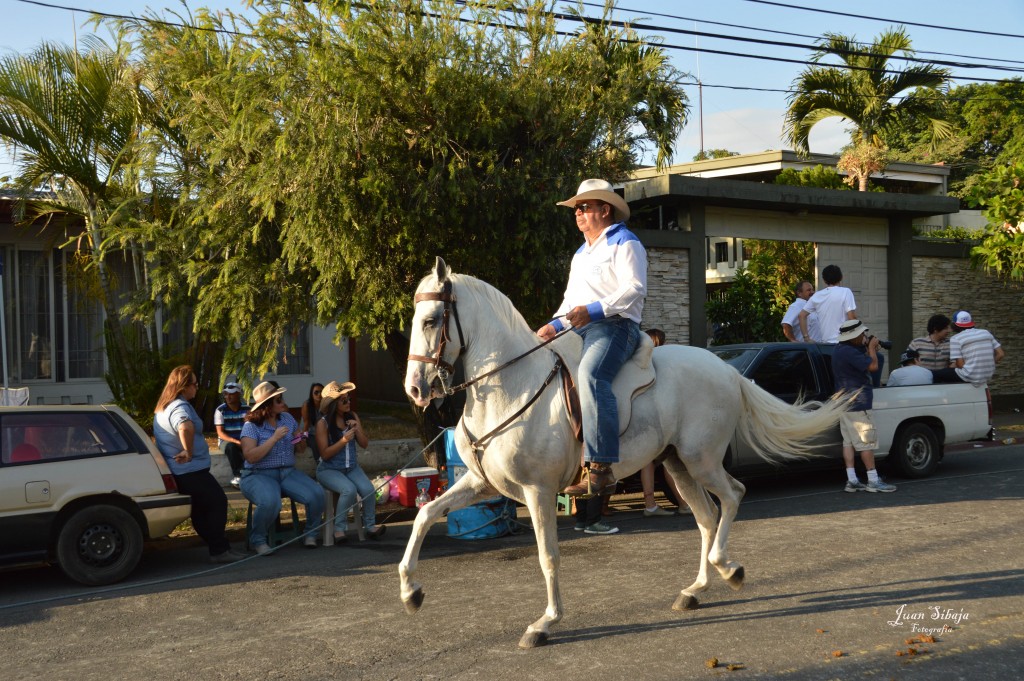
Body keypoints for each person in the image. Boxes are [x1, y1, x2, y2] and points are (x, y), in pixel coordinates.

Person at [536, 179, 647, 497]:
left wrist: (594, 311)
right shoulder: (580, 254)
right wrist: (552, 326)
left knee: (591, 374)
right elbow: (570, 303)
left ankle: (601, 467)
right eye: (576, 208)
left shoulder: (626, 242)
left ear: (605, 209)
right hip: (579, 326)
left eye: (584, 207)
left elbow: (634, 288)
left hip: (616, 327)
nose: (577, 212)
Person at [154, 366, 244, 563]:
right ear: (183, 386)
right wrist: (188, 451)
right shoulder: (180, 406)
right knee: (218, 502)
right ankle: (219, 550)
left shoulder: (164, 406)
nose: (196, 388)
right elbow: (185, 426)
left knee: (200, 509)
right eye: (194, 384)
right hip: (190, 470)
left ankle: (217, 547)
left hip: (180, 470)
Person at [239, 381, 326, 554]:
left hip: (287, 472)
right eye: (278, 400)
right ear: (267, 405)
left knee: (317, 493)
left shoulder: (287, 418)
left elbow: (299, 448)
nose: (283, 403)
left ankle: (310, 534)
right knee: (270, 502)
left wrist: (300, 440)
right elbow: (250, 456)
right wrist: (274, 439)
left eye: (281, 398)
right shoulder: (251, 426)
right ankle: (258, 540)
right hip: (258, 474)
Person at [315, 381, 386, 543]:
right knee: (349, 490)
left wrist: (357, 429)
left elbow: (364, 444)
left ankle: (370, 527)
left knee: (369, 489)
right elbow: (324, 454)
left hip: (351, 467)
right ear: (333, 404)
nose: (348, 403)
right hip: (329, 469)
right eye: (344, 400)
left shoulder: (352, 416)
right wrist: (343, 440)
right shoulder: (322, 424)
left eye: (349, 399)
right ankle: (339, 529)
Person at [832, 319, 896, 493]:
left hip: (843, 403)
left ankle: (852, 480)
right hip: (858, 403)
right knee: (866, 443)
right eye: (862, 334)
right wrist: (872, 349)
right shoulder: (850, 352)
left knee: (848, 442)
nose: (864, 336)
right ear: (854, 336)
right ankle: (873, 480)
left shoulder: (839, 349)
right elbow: (873, 366)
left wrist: (868, 348)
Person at [639, 328, 689, 517]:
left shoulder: (640, 362)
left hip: (643, 415)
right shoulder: (660, 362)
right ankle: (683, 503)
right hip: (660, 416)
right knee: (670, 459)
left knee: (648, 462)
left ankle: (650, 504)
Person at [932, 310, 1005, 386]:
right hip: (987, 374)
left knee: (936, 374)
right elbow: (1001, 354)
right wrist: (987, 365)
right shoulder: (986, 332)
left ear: (955, 324)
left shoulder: (956, 338)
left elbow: (960, 364)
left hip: (969, 376)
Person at [798, 265, 857, 343]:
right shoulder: (846, 292)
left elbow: (801, 315)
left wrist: (806, 338)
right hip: (843, 342)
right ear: (841, 277)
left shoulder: (817, 296)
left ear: (824, 280)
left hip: (825, 343)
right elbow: (852, 317)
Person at [214, 381, 249, 488]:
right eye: (226, 394)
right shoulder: (220, 410)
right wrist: (236, 442)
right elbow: (220, 432)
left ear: (239, 394)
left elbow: (251, 429)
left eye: (231, 394)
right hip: (227, 441)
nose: (228, 397)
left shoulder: (247, 410)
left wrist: (245, 442)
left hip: (244, 440)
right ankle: (238, 475)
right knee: (231, 447)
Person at [301, 382, 324, 461]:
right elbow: (306, 425)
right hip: (307, 433)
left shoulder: (326, 404)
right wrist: (303, 439)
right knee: (293, 441)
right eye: (316, 392)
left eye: (321, 392)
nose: (319, 394)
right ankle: (319, 463)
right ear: (311, 394)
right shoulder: (307, 405)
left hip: (320, 433)